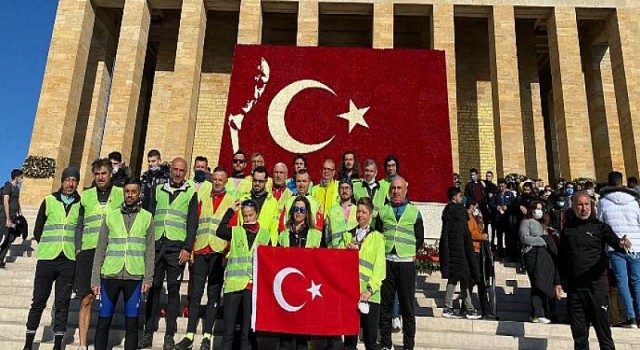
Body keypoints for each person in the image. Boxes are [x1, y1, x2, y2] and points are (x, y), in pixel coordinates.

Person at [556, 191, 632, 350]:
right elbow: (562, 258)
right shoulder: (567, 231)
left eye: (586, 204)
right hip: (575, 290)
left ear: (591, 205)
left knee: (603, 333)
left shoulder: (600, 227)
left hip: (596, 288)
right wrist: (558, 281)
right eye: (580, 205)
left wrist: (622, 244)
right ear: (574, 206)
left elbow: (615, 241)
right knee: (579, 335)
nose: (584, 208)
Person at [139, 158, 198, 350]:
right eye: (175, 169)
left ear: (186, 172)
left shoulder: (191, 193)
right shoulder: (157, 189)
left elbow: (192, 222)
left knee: (173, 292)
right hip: (157, 245)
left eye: (182, 170)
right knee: (154, 288)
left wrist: (187, 248)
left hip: (176, 247)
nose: (178, 173)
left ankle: (169, 336)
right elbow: (148, 216)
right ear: (170, 170)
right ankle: (147, 333)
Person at [174, 167, 234, 350]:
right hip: (200, 250)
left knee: (213, 296)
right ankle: (190, 335)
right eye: (214, 179)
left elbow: (233, 231)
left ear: (225, 182)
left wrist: (227, 254)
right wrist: (191, 251)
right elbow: (195, 224)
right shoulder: (203, 197)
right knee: (196, 295)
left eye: (220, 180)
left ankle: (207, 336)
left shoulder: (232, 202)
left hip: (218, 253)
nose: (216, 182)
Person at [90, 178, 154, 350]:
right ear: (123, 193)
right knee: (104, 321)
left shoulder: (147, 217)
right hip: (110, 274)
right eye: (127, 191)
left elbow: (150, 250)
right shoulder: (111, 215)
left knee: (132, 324)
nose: (130, 195)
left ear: (139, 193)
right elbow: (100, 248)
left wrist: (148, 278)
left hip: (134, 275)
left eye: (134, 191)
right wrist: (95, 279)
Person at [23, 167, 81, 350]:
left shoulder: (81, 205)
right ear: (62, 181)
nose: (70, 184)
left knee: (62, 303)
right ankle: (28, 343)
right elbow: (38, 230)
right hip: (47, 258)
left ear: (77, 183)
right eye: (67, 180)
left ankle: (57, 344)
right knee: (38, 301)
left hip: (68, 259)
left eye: (74, 180)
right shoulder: (48, 200)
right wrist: (48, 246)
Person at [76, 158, 124, 350]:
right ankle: (82, 344)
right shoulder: (86, 196)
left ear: (111, 174)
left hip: (112, 251)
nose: (100, 177)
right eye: (97, 174)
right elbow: (79, 224)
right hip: (88, 250)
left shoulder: (121, 194)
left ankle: (101, 342)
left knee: (108, 300)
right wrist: (78, 247)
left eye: (104, 173)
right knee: (87, 298)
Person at [375, 176, 424, 350]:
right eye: (393, 188)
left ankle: (408, 345)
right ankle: (386, 344)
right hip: (387, 262)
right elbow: (378, 235)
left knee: (407, 308)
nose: (395, 191)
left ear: (405, 190)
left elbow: (419, 238)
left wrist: (410, 252)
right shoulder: (383, 211)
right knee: (386, 307)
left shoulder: (414, 211)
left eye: (399, 188)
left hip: (406, 264)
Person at [216, 199, 271, 350]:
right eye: (245, 216)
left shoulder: (265, 236)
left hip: (252, 288)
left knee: (247, 334)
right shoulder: (236, 231)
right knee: (228, 333)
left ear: (257, 214)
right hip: (233, 287)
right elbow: (219, 231)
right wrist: (230, 212)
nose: (248, 219)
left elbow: (272, 262)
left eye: (251, 215)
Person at [278, 196, 323, 349]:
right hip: (287, 290)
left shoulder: (316, 235)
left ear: (307, 213)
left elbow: (322, 262)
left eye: (302, 210)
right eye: (296, 209)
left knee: (302, 339)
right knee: (285, 338)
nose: (298, 212)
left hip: (306, 290)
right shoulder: (283, 235)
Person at [598, 171, 640, 328]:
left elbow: (601, 224)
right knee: (637, 282)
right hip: (636, 246)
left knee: (622, 282)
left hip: (615, 247)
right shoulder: (634, 201)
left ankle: (631, 318)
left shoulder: (603, 202)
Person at [343, 197, 386, 350]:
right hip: (350, 294)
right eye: (358, 211)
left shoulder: (378, 238)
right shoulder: (348, 235)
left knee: (370, 340)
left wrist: (369, 290)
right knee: (349, 341)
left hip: (370, 296)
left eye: (364, 212)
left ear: (371, 214)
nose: (360, 215)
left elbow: (379, 269)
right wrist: (345, 252)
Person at [439, 187, 482, 320]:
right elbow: (465, 234)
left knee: (453, 279)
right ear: (455, 197)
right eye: (460, 195)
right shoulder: (460, 212)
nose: (461, 198)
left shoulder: (447, 212)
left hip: (451, 251)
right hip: (462, 251)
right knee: (465, 280)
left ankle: (448, 306)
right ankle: (469, 308)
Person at [520, 200, 558, 324]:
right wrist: (541, 241)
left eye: (541, 208)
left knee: (542, 282)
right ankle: (538, 313)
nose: (539, 211)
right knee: (536, 283)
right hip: (531, 254)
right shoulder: (526, 222)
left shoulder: (542, 225)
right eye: (536, 208)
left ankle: (540, 312)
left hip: (543, 256)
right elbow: (524, 238)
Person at [236, 166, 280, 245]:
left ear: (266, 181)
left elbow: (274, 230)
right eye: (255, 180)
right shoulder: (243, 199)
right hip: (243, 244)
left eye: (260, 181)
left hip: (263, 246)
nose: (257, 184)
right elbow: (237, 224)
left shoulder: (273, 202)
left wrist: (271, 248)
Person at [466, 199, 494, 319]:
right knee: (478, 280)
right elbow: (471, 233)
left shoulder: (475, 218)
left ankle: (483, 309)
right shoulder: (468, 218)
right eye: (475, 207)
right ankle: (482, 309)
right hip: (474, 250)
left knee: (477, 281)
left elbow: (479, 228)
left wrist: (480, 219)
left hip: (479, 251)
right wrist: (483, 237)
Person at [0, 168, 24, 268]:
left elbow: (17, 201)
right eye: (21, 177)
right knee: (3, 238)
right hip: (5, 216)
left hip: (14, 217)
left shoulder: (17, 189)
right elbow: (6, 201)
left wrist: (20, 213)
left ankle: (1, 259)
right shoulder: (8, 186)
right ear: (16, 177)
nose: (22, 179)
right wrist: (8, 218)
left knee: (10, 238)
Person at [325, 179, 358, 248]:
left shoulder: (358, 210)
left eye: (347, 188)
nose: (344, 191)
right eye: (342, 188)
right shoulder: (331, 212)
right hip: (336, 252)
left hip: (353, 251)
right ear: (338, 191)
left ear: (352, 191)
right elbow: (327, 237)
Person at [489, 179, 516, 259]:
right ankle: (500, 253)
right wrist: (496, 206)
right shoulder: (496, 194)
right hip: (498, 217)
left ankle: (508, 252)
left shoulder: (510, 194)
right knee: (499, 236)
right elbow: (491, 204)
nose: (501, 188)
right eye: (499, 186)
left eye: (502, 186)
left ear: (505, 186)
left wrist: (507, 207)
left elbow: (514, 204)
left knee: (508, 236)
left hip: (507, 217)